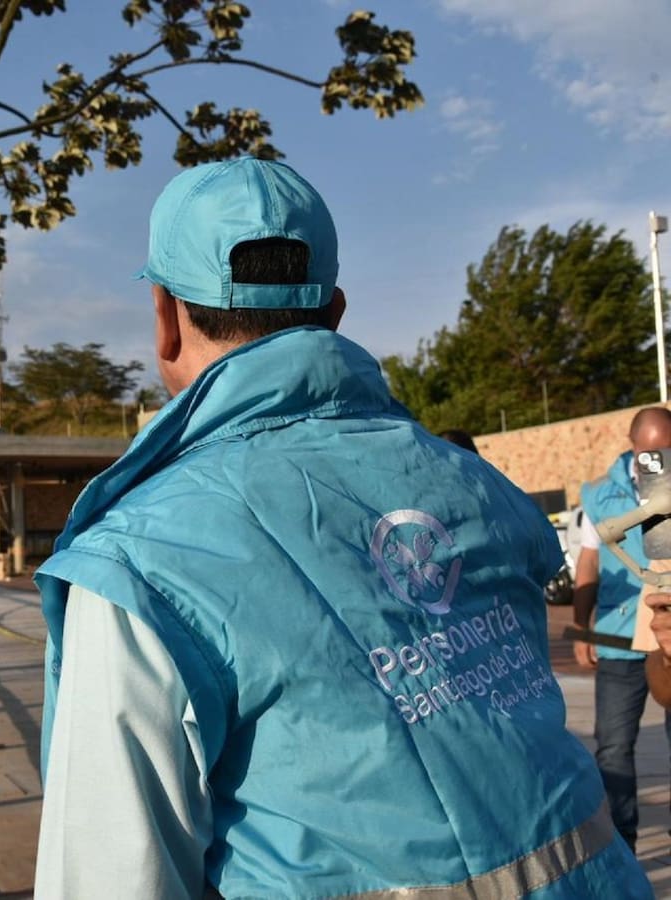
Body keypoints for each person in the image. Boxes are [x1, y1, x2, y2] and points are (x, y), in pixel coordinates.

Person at [33, 157, 650, 898]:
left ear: (165, 320)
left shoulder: (143, 560)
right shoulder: (476, 486)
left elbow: (108, 875)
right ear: (336, 310)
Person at [574, 406, 671, 850]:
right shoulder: (598, 495)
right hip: (619, 639)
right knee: (613, 747)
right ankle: (625, 843)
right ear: (633, 447)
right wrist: (581, 624)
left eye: (668, 452)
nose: (659, 461)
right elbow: (589, 562)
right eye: (651, 452)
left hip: (669, 638)